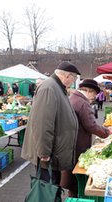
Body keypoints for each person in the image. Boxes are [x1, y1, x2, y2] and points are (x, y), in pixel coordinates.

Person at [21, 61, 81, 190]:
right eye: (74, 78)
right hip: (48, 156)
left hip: (55, 153)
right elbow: (42, 124)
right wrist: (44, 153)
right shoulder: (49, 88)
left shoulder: (57, 88)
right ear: (67, 76)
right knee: (46, 190)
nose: (73, 81)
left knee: (51, 189)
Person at [61, 79, 112, 197]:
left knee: (70, 175)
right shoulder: (83, 103)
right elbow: (91, 125)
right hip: (78, 143)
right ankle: (75, 196)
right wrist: (107, 132)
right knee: (75, 176)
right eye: (94, 94)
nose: (94, 97)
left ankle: (72, 194)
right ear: (88, 91)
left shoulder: (73, 98)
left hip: (69, 142)